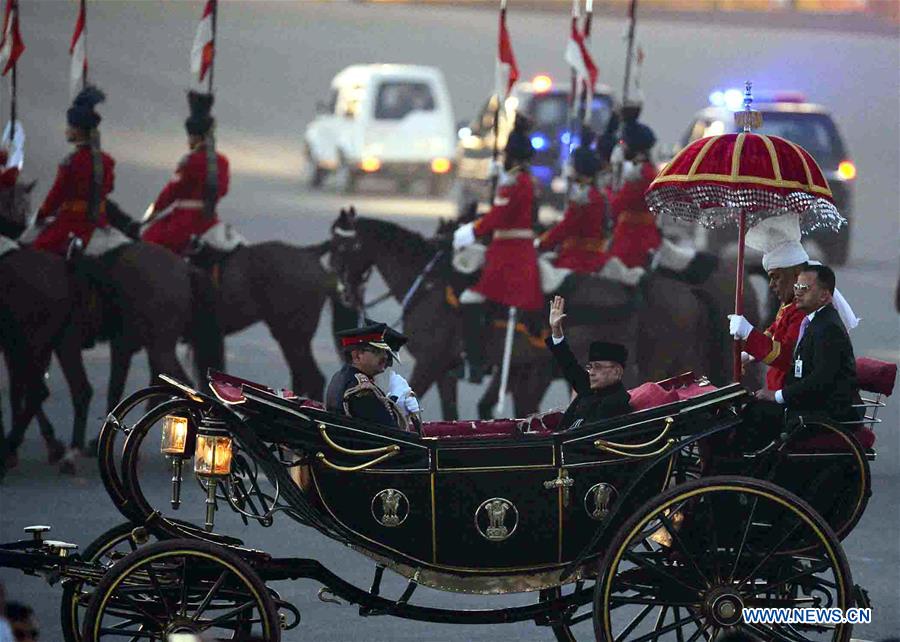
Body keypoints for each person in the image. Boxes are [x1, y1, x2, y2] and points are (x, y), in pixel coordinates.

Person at [453, 114, 543, 383]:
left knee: (470, 298)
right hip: (514, 251)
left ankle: (475, 360)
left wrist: (471, 231)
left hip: (508, 257)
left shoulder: (514, 182)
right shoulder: (523, 180)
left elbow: (499, 217)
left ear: (511, 156)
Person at [728, 214, 859, 391]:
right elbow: (775, 333)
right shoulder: (790, 305)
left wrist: (749, 333)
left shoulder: (804, 311)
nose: (772, 285)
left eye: (777, 277)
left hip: (792, 395)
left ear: (797, 275)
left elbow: (786, 356)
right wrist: (750, 354)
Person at [751, 264, 861, 433]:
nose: (798, 292)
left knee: (753, 415)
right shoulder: (813, 321)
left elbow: (820, 379)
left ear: (824, 295)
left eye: (804, 287)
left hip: (824, 412)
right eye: (796, 286)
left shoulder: (828, 327)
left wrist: (778, 395)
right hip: (808, 404)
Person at [142, 91, 230, 255]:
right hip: (210, 220)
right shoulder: (223, 161)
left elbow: (172, 191)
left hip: (184, 222)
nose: (188, 140)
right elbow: (223, 190)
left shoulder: (189, 161)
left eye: (190, 136)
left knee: (147, 241)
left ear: (196, 137)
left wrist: (154, 211)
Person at [31, 86, 114, 255]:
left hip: (71, 222)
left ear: (78, 130)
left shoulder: (71, 161)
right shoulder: (106, 160)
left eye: (70, 126)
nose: (67, 130)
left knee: (36, 250)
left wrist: (41, 213)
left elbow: (57, 194)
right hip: (99, 222)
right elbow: (109, 187)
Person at [545, 295, 632, 431]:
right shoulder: (592, 389)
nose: (591, 372)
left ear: (616, 371)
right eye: (590, 367)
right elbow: (569, 365)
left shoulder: (615, 402)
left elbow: (585, 441)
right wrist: (556, 331)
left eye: (597, 367)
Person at [536, 132, 611, 274]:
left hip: (577, 259)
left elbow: (566, 227)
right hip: (595, 256)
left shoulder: (583, 197)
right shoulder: (598, 194)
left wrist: (542, 243)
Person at [325, 322, 415, 431]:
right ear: (357, 356)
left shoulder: (342, 376)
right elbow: (392, 433)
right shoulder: (361, 390)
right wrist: (399, 408)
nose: (385, 356)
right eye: (377, 351)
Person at [603, 116, 661, 282]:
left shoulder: (639, 174)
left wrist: (606, 192)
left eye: (625, 143)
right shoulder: (647, 170)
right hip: (644, 235)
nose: (623, 147)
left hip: (632, 241)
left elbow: (617, 206)